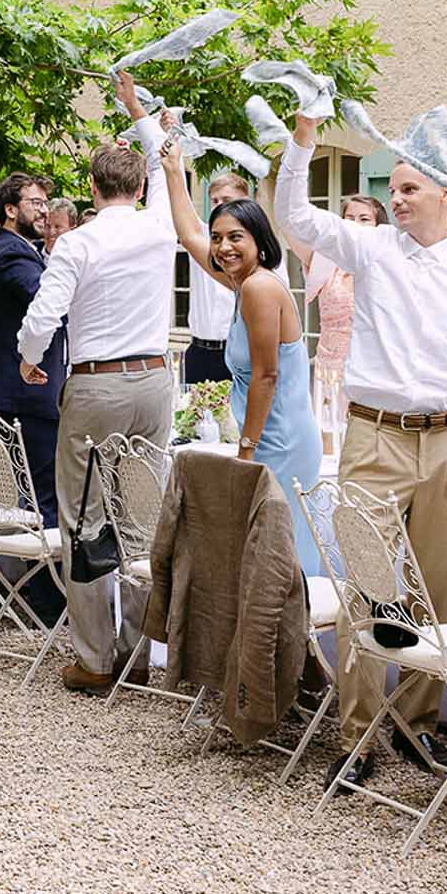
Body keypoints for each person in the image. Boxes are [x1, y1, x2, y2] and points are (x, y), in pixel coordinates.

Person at [276, 113, 447, 795]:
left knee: (434, 592)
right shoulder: (371, 247)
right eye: (395, 187)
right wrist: (303, 139)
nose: (397, 197)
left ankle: (416, 725)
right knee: (370, 586)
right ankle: (355, 736)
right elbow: (294, 214)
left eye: (410, 188)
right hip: (373, 437)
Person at [18, 73, 175, 693]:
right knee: (140, 517)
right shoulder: (161, 224)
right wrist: (137, 110)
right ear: (137, 187)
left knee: (83, 519)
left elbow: (42, 318)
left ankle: (95, 658)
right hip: (155, 381)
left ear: (91, 187)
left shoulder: (77, 243)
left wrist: (30, 359)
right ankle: (138, 653)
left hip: (97, 386)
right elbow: (162, 162)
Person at [162, 143, 323, 576]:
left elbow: (266, 376)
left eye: (235, 237)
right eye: (218, 237)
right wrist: (174, 171)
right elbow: (190, 236)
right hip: (271, 434)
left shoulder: (258, 288)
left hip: (281, 439)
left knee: (275, 551)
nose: (223, 246)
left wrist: (246, 449)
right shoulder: (243, 284)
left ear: (258, 239)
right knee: (264, 550)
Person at [0, 172, 64, 523]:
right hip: (23, 396)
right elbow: (45, 301)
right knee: (41, 503)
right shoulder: (11, 252)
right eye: (36, 203)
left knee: (17, 504)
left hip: (12, 393)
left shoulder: (12, 248)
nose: (44, 211)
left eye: (46, 203)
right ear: (10, 210)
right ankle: (42, 564)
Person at [285, 193, 388, 445]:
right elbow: (289, 225)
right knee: (330, 441)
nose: (355, 224)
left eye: (364, 219)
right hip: (331, 367)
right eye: (349, 218)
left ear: (379, 225)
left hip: (373, 367)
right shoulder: (325, 260)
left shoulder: (388, 264)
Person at [182, 172, 249, 385]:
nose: (219, 206)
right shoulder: (200, 237)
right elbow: (181, 205)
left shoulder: (256, 245)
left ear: (245, 202)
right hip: (198, 353)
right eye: (215, 201)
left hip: (236, 353)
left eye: (226, 200)